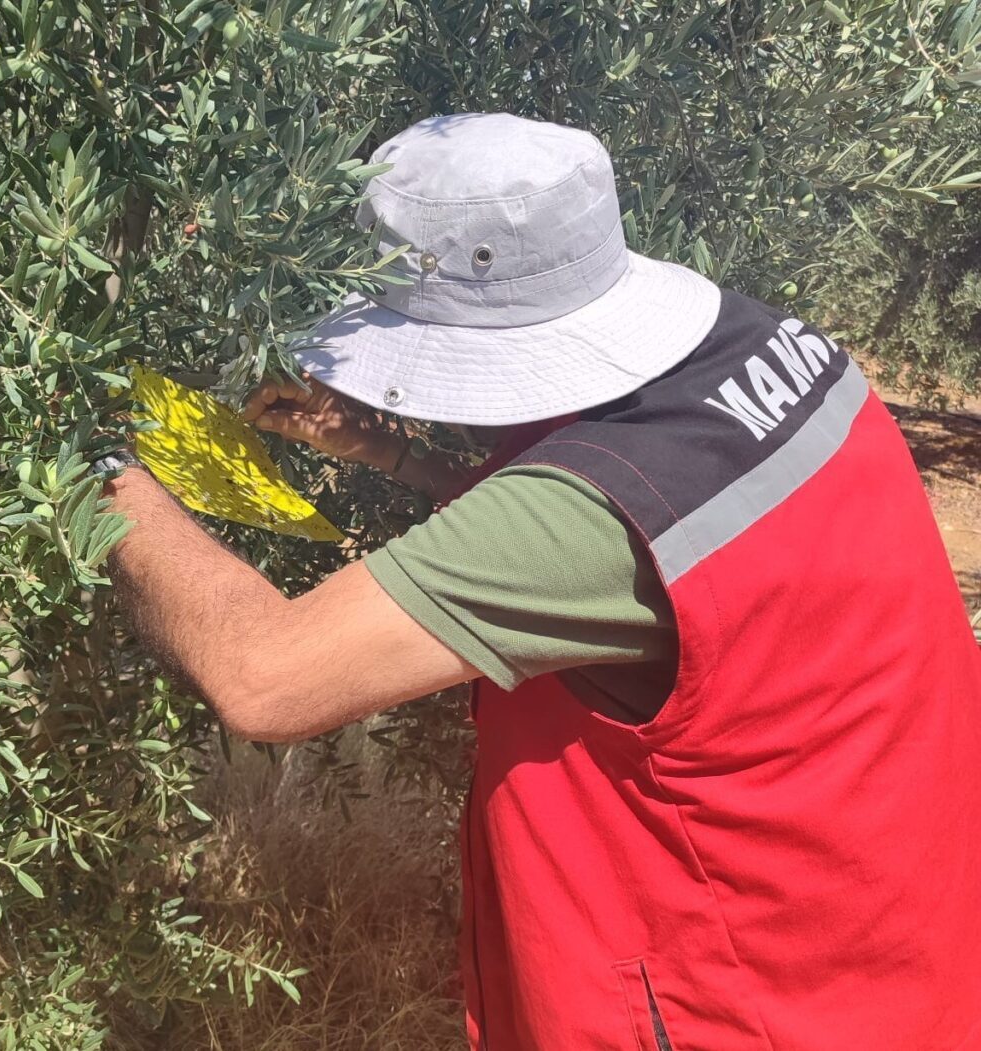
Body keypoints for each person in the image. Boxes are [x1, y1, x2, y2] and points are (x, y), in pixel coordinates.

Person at [94, 113, 981, 1049]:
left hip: (741, 997)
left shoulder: (592, 512)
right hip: (898, 934)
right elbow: (640, 554)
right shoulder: (778, 350)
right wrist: (391, 451)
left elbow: (263, 675)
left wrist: (90, 455)